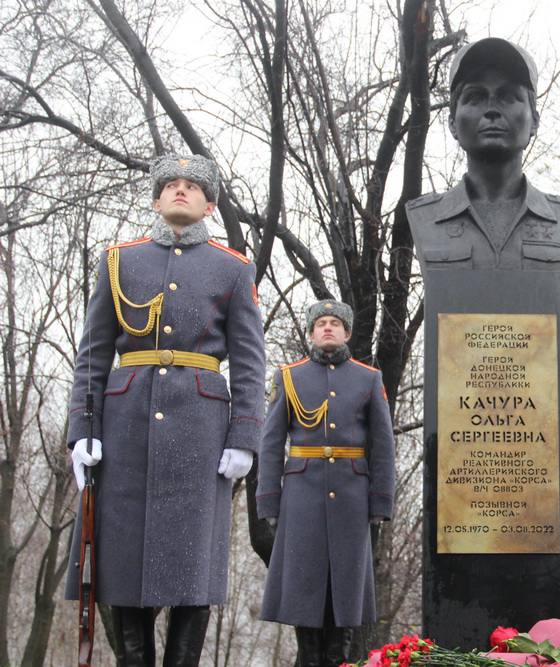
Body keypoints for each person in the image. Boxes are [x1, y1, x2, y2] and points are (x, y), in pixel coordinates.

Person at [65, 154, 265, 665]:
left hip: (201, 431)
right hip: (124, 424)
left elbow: (248, 362)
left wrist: (245, 436)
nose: (181, 192)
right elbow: (93, 351)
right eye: (171, 185)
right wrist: (81, 430)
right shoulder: (119, 260)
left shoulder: (234, 269)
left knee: (195, 567)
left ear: (210, 205)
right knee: (123, 561)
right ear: (156, 200)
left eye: (192, 187)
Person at [257, 300, 395, 667]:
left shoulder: (368, 378)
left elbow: (382, 444)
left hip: (352, 500)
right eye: (321, 324)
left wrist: (381, 502)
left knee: (345, 596)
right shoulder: (289, 377)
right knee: (304, 594)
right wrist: (269, 500)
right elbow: (270, 443)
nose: (328, 329)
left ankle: (339, 659)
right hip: (302, 499)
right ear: (311, 332)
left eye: (335, 323)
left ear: (347, 332)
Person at [406, 37, 560, 271]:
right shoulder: (425, 217)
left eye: (508, 97)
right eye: (475, 97)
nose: (491, 110)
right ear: (452, 123)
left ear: (535, 122)